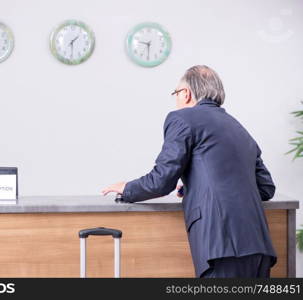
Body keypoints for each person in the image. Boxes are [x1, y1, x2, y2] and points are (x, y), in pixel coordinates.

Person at [101, 65, 277, 278]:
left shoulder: (182, 118)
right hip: (259, 245)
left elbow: (162, 180)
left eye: (175, 93)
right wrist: (198, 187)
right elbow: (266, 188)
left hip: (220, 245)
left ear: (186, 94)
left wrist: (127, 188)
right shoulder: (238, 127)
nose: (175, 99)